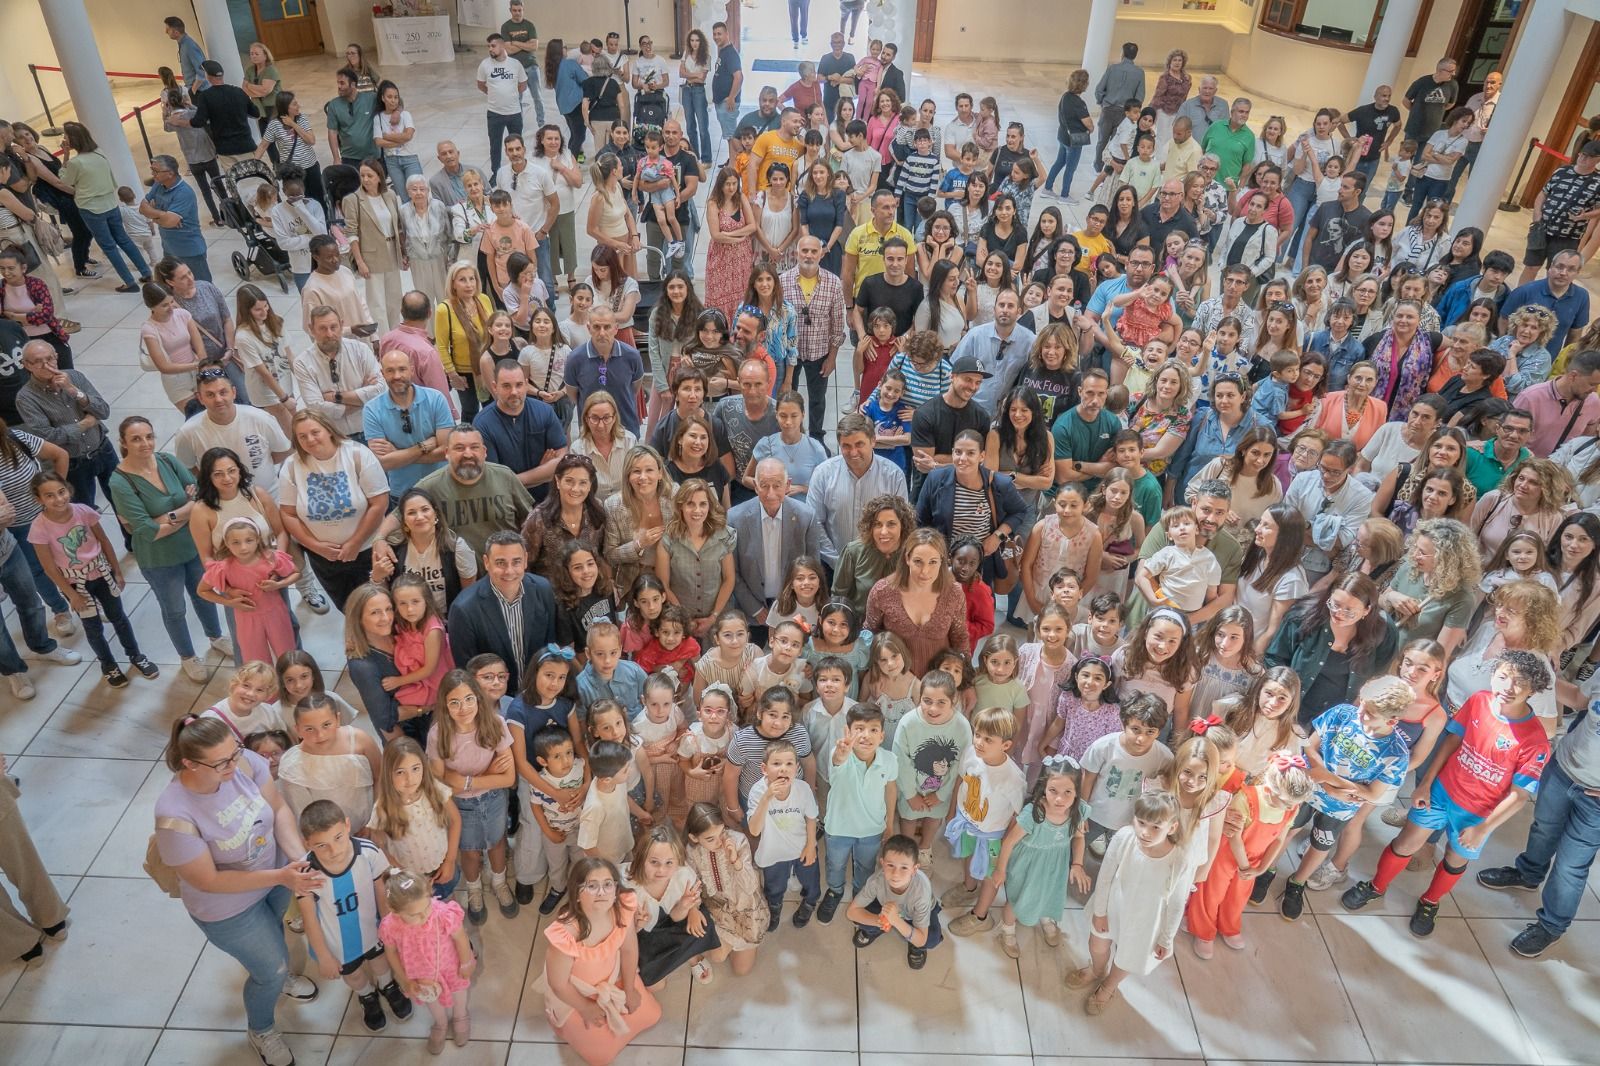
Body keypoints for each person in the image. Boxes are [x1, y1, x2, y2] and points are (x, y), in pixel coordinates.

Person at [154, 715, 321, 1066]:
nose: (235, 765)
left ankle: (280, 971)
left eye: (235, 753)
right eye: (221, 763)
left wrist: (296, 859)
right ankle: (261, 1028)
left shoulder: (243, 761)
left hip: (274, 874)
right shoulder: (175, 815)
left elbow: (277, 808)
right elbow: (208, 881)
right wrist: (280, 876)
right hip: (227, 908)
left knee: (274, 932)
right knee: (269, 971)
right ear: (189, 764)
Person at [39, 122, 149, 294]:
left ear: (72, 139)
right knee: (123, 239)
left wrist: (66, 156)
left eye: (66, 136)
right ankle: (146, 272)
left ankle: (129, 282)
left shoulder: (76, 163)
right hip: (110, 203)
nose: (64, 139)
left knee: (109, 246)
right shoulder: (99, 152)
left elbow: (64, 180)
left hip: (91, 209)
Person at [15, 341, 115, 510]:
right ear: (26, 365)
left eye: (50, 359)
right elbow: (49, 437)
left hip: (103, 448)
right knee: (84, 512)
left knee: (125, 503)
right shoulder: (26, 398)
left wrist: (74, 391)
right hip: (74, 462)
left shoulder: (74, 377)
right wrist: (85, 424)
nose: (46, 365)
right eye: (38, 361)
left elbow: (103, 411)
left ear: (57, 357)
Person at [727, 458, 826, 625]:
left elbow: (812, 567)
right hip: (750, 612)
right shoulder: (735, 518)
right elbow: (732, 572)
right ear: (756, 486)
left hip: (795, 610)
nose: (770, 493)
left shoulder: (806, 517)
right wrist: (756, 610)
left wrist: (794, 606)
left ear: (787, 485)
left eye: (777, 485)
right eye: (764, 485)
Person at [364, 348, 455, 498]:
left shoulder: (436, 399)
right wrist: (424, 446)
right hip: (402, 494)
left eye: (402, 369)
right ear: (382, 374)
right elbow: (383, 463)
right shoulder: (371, 410)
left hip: (442, 488)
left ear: (412, 370)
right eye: (390, 371)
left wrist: (398, 455)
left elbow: (446, 451)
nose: (397, 376)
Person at [296, 306, 383, 441]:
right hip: (335, 437)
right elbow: (316, 408)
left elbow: (380, 390)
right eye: (322, 328)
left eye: (333, 327)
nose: (329, 334)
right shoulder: (302, 363)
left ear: (341, 325)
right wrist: (362, 396)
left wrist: (334, 397)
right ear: (311, 329)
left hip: (371, 430)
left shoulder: (360, 350)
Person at [139, 155, 209, 283]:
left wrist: (156, 215)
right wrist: (162, 216)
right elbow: (142, 208)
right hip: (169, 248)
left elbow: (169, 221)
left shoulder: (184, 193)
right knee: (175, 287)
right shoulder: (158, 185)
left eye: (156, 171)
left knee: (202, 287)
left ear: (170, 173)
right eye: (152, 170)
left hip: (190, 250)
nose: (153, 174)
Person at [175, 62, 258, 170]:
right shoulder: (239, 91)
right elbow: (256, 113)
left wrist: (178, 122)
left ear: (207, 76)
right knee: (253, 179)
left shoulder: (205, 96)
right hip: (246, 144)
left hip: (225, 149)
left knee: (234, 183)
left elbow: (198, 122)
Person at [479, 33, 529, 177]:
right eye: (488, 46)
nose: (490, 49)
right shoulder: (485, 64)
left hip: (514, 112)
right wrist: (495, 94)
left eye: (493, 46)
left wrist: (510, 94)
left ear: (502, 46)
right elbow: (481, 84)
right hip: (494, 113)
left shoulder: (515, 64)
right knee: (495, 145)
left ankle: (519, 169)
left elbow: (523, 84)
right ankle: (496, 173)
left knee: (517, 145)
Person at [1093, 43, 1145, 164]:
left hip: (1108, 109)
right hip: (1125, 113)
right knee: (1116, 142)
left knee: (1102, 140)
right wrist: (1134, 112)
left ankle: (1098, 165)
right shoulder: (1139, 72)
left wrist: (1102, 103)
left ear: (1122, 52)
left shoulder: (1112, 68)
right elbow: (1140, 96)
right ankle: (1110, 166)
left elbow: (1099, 89)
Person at [325, 67, 379, 167]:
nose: (339, 86)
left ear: (353, 84)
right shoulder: (333, 105)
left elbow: (394, 99)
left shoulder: (371, 98)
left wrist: (397, 112)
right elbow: (332, 132)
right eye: (338, 83)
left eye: (342, 83)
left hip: (373, 157)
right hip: (349, 157)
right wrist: (336, 158)